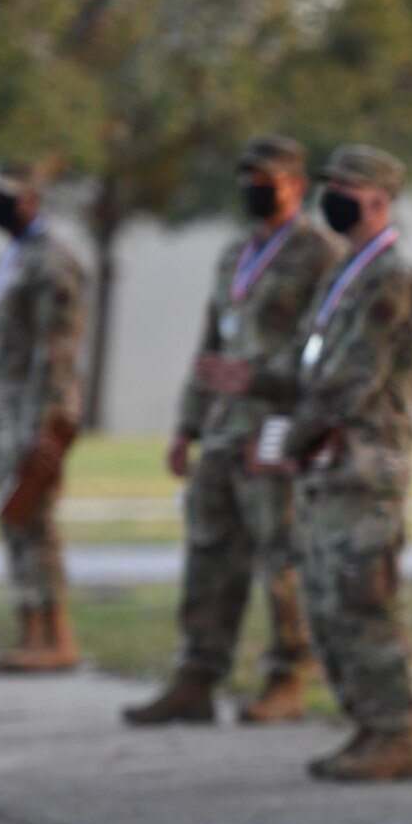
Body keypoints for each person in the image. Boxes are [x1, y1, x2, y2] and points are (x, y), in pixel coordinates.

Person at [123, 136, 338, 726]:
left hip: (273, 424)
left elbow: (322, 347)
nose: (252, 187)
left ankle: (287, 675)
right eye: (245, 175)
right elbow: (210, 343)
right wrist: (186, 425)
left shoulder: (318, 255)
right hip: (222, 426)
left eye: (264, 176)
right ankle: (196, 676)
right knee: (208, 550)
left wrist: (264, 381)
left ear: (296, 184)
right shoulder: (234, 256)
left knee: (281, 555)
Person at [250, 145, 412, 781]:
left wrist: (290, 439)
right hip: (326, 464)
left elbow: (350, 379)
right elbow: (307, 363)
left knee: (364, 596)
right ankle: (367, 725)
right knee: (325, 601)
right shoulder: (344, 272)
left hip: (364, 463)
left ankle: (399, 730)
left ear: (378, 200)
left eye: (345, 187)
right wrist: (254, 382)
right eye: (328, 185)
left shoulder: (392, 277)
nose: (333, 196)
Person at [0, 160, 90, 675]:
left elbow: (56, 350)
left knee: (35, 518)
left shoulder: (50, 263)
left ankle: (56, 636)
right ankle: (29, 631)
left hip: (34, 409)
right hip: (7, 409)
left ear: (31, 201)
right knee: (14, 517)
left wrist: (43, 422)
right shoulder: (18, 256)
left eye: (5, 196)